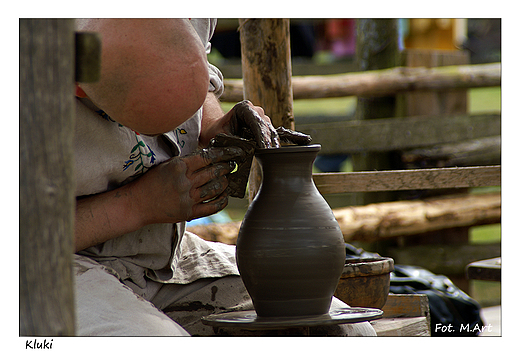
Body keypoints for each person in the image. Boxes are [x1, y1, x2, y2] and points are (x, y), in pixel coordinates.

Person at [73, 18, 376, 336]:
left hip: (159, 256)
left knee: (345, 333)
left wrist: (212, 126)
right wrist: (137, 205)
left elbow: (186, 77)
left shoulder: (193, 14)